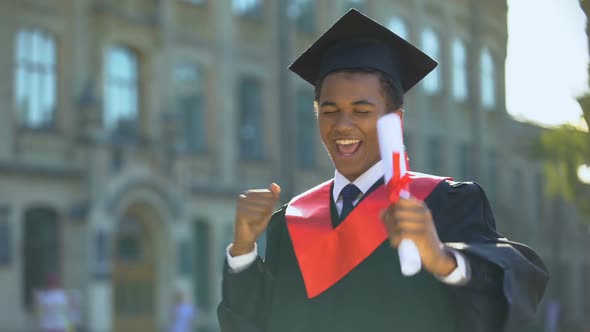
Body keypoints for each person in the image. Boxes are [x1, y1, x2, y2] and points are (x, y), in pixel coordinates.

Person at [218, 9, 548, 332]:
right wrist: (244, 250)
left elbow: (518, 282)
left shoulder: (447, 204)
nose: (342, 125)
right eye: (330, 111)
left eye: (361, 110)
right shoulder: (289, 223)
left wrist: (442, 259)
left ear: (396, 120)